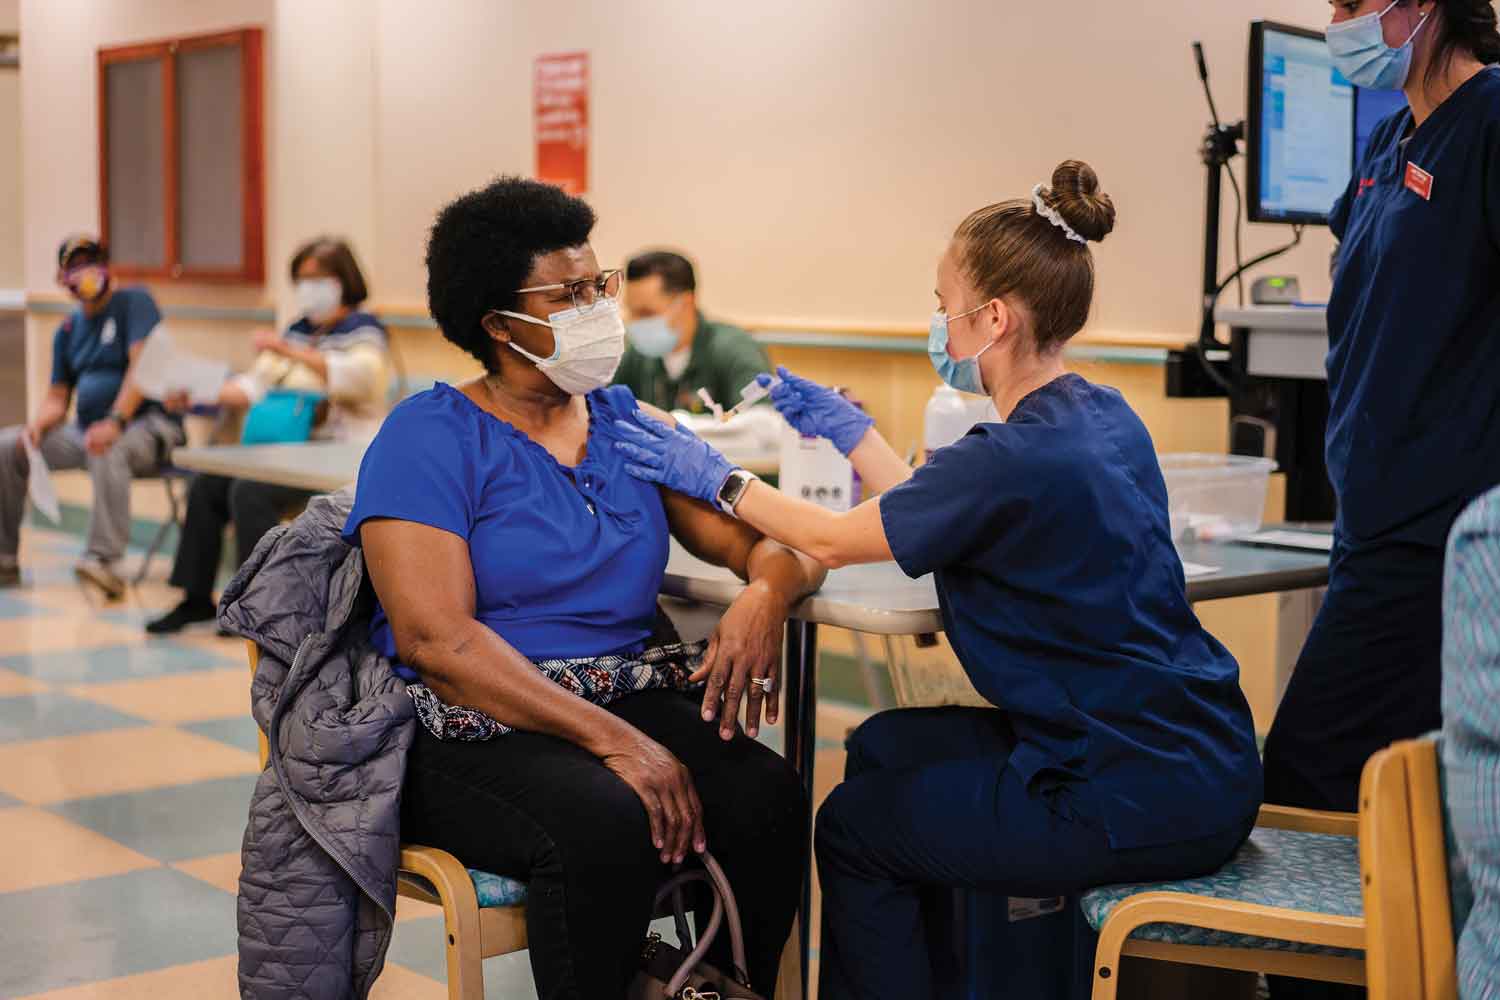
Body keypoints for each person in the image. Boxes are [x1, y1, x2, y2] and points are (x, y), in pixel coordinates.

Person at [610, 161, 1263, 1000]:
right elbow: (938, 504)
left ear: (992, 317)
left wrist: (713, 474)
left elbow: (835, 541)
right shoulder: (1100, 416)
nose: (937, 324)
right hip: (1196, 752)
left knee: (850, 829)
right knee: (882, 745)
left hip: (1126, 791)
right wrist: (852, 434)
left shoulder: (1010, 455)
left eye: (942, 305)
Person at [344, 177, 824, 999]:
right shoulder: (427, 437)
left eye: (596, 285)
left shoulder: (625, 424)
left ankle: (725, 987)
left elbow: (780, 548)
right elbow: (440, 643)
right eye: (567, 295)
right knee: (605, 817)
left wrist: (763, 596)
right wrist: (615, 742)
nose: (598, 309)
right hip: (472, 719)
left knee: (766, 794)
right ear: (497, 325)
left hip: (614, 687)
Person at [1261, 5, 1500, 996]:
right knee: (1389, 802)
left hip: (1439, 539)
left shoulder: (1488, 126)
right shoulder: (1385, 142)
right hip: (1373, 523)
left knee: (1304, 778)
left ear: (1425, 8)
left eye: (1358, 6)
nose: (1340, 24)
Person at [146, 238, 390, 634]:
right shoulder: (295, 332)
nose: (308, 287)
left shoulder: (364, 331)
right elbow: (251, 387)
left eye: (318, 278)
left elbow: (364, 381)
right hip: (280, 454)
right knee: (208, 486)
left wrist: (290, 351)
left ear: (343, 280)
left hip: (335, 458)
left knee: (248, 490)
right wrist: (195, 396)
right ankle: (194, 599)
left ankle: (256, 607)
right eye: (302, 279)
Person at [0, 236, 184, 598]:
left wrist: (115, 420)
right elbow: (57, 396)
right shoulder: (67, 332)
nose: (84, 274)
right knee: (9, 446)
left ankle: (105, 562)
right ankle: (4, 558)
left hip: (147, 426)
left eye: (91, 263)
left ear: (106, 268)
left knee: (103, 443)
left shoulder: (135, 303)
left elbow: (141, 369)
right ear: (62, 278)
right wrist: (37, 427)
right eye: (75, 266)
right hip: (85, 428)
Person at [615, 250, 771, 413]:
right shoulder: (636, 356)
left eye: (647, 313)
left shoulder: (735, 350)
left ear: (686, 303)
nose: (635, 322)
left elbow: (761, 422)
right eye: (631, 312)